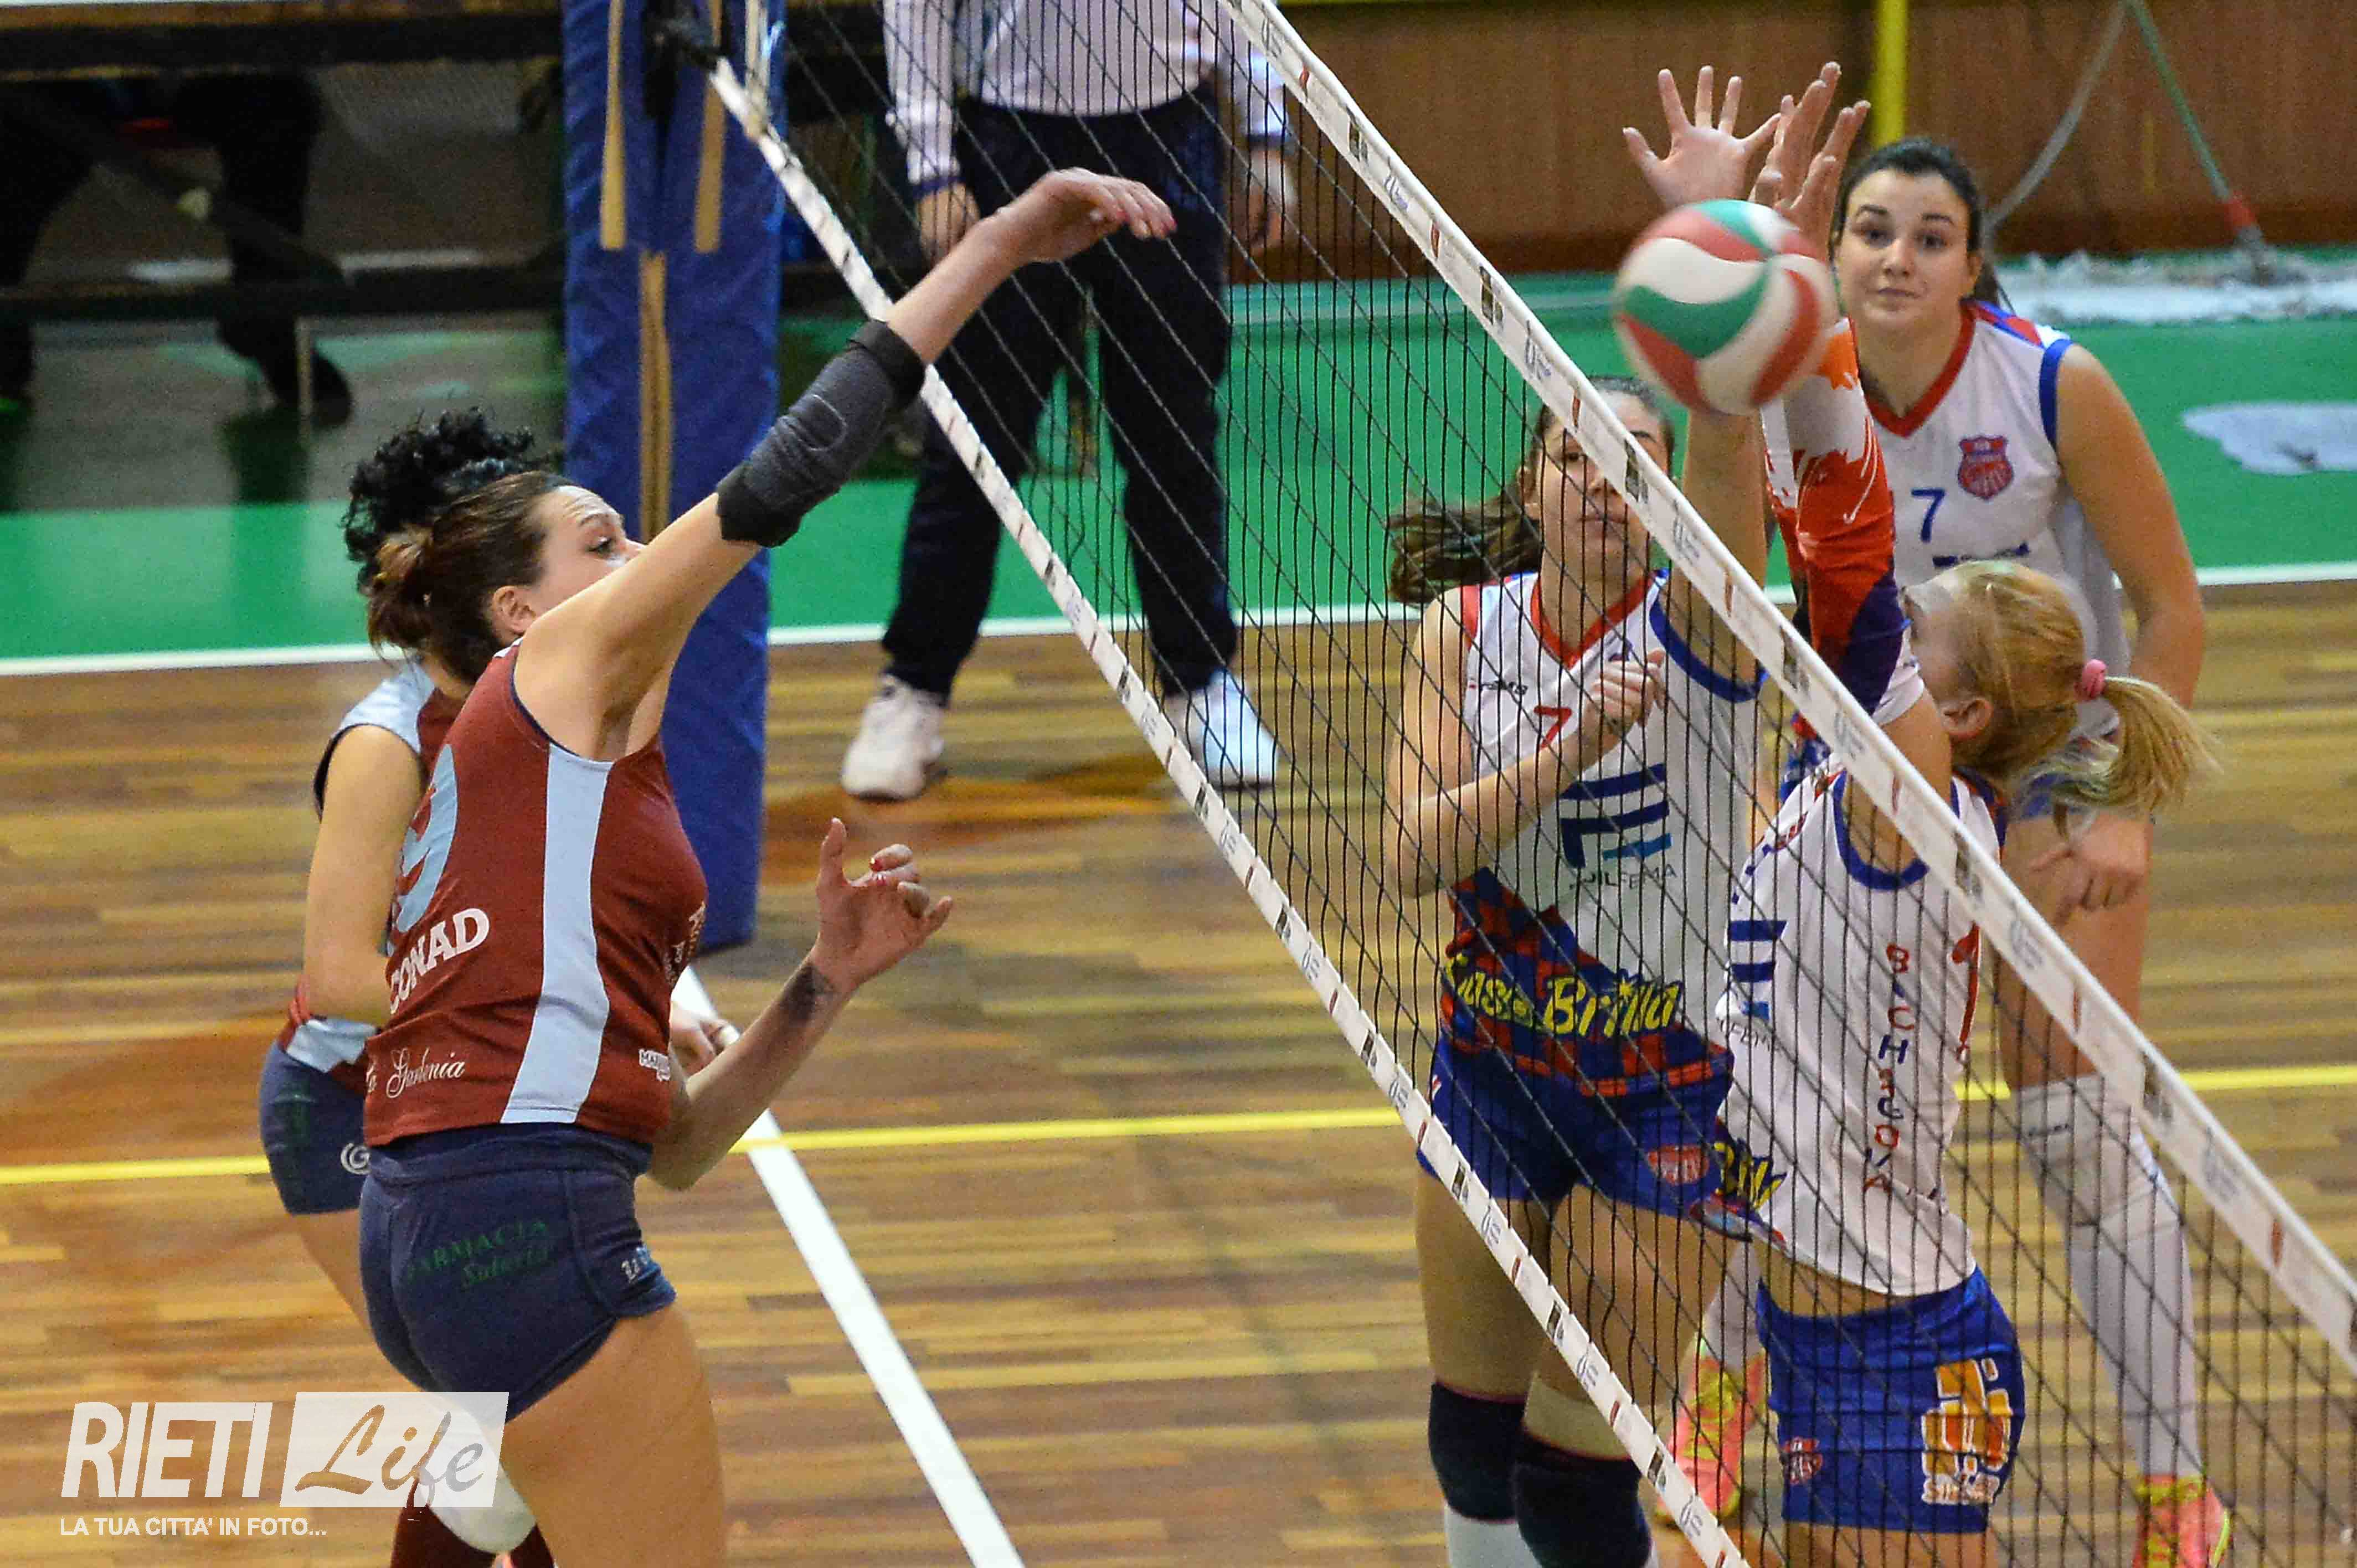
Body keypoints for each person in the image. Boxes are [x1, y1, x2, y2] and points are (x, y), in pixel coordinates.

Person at [352, 168, 1171, 1568]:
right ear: (520, 610)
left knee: (501, 1521)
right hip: (520, 1220)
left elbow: (674, 1148)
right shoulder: (550, 674)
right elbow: (790, 468)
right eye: (603, 543)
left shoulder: (561, 803)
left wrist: (823, 981)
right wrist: (998, 244)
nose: (640, 555)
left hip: (437, 1228)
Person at [1636, 116, 2224, 1566]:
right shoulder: (1792, 367)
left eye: (1932, 236)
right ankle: (1723, 1387)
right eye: (1872, 230)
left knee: (2076, 1123)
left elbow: (2172, 607)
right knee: (1776, 1074)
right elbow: (1741, 566)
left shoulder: (2052, 382)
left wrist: (2121, 812)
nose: (1897, 256)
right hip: (1867, 752)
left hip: (2038, 755)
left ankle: (2175, 1491)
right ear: (1831, 248)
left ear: (1974, 268)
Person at [1378, 73, 1876, 1568]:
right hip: (1494, 1061)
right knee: (1472, 1439)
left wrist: (1716, 250)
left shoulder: (1705, 638)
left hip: (1673, 1090)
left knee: (1579, 1482)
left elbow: (1730, 458)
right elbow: (1408, 857)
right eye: (1575, 456)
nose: (1605, 483)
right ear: (1533, 490)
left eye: (1635, 461)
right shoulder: (1464, 633)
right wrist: (1562, 755)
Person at [259, 410, 730, 1567]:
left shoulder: (570, 702)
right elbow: (339, 975)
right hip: (347, 1105)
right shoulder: (388, 742)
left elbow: (558, 907)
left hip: (482, 1099)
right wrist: (552, 1004)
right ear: (486, 587)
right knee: (498, 1440)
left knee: (521, 1448)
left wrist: (644, 996)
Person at [1712, 555, 2218, 1568]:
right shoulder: (1860, 780)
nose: (1891, 637)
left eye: (1915, 632)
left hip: (1902, 1357)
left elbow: (1851, 585)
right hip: (1815, 1327)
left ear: (1960, 715)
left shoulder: (1907, 822)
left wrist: (1824, 454)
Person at [840, 0, 1299, 798]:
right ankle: (913, 689)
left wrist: (1265, 131)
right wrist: (934, 166)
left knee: (1174, 441)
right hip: (1008, 144)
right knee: (973, 446)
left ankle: (1201, 685)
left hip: (1168, 137)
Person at [0, 75, 351, 421]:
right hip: (64, 76)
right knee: (26, 110)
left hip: (183, 68)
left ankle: (267, 321)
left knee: (279, 101)